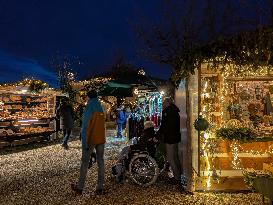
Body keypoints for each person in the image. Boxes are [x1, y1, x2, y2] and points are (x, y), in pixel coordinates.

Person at [71, 90, 106, 195]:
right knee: (101, 161)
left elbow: (85, 126)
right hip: (101, 138)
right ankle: (100, 187)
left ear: (89, 97)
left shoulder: (89, 107)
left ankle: (80, 187)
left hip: (91, 139)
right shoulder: (101, 107)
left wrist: (85, 143)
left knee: (85, 163)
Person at [157, 97, 182, 185]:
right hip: (175, 137)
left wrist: (157, 135)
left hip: (170, 138)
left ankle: (177, 178)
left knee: (170, 158)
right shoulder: (175, 111)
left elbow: (164, 126)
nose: (162, 104)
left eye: (164, 102)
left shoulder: (167, 112)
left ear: (168, 103)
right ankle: (179, 175)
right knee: (175, 157)